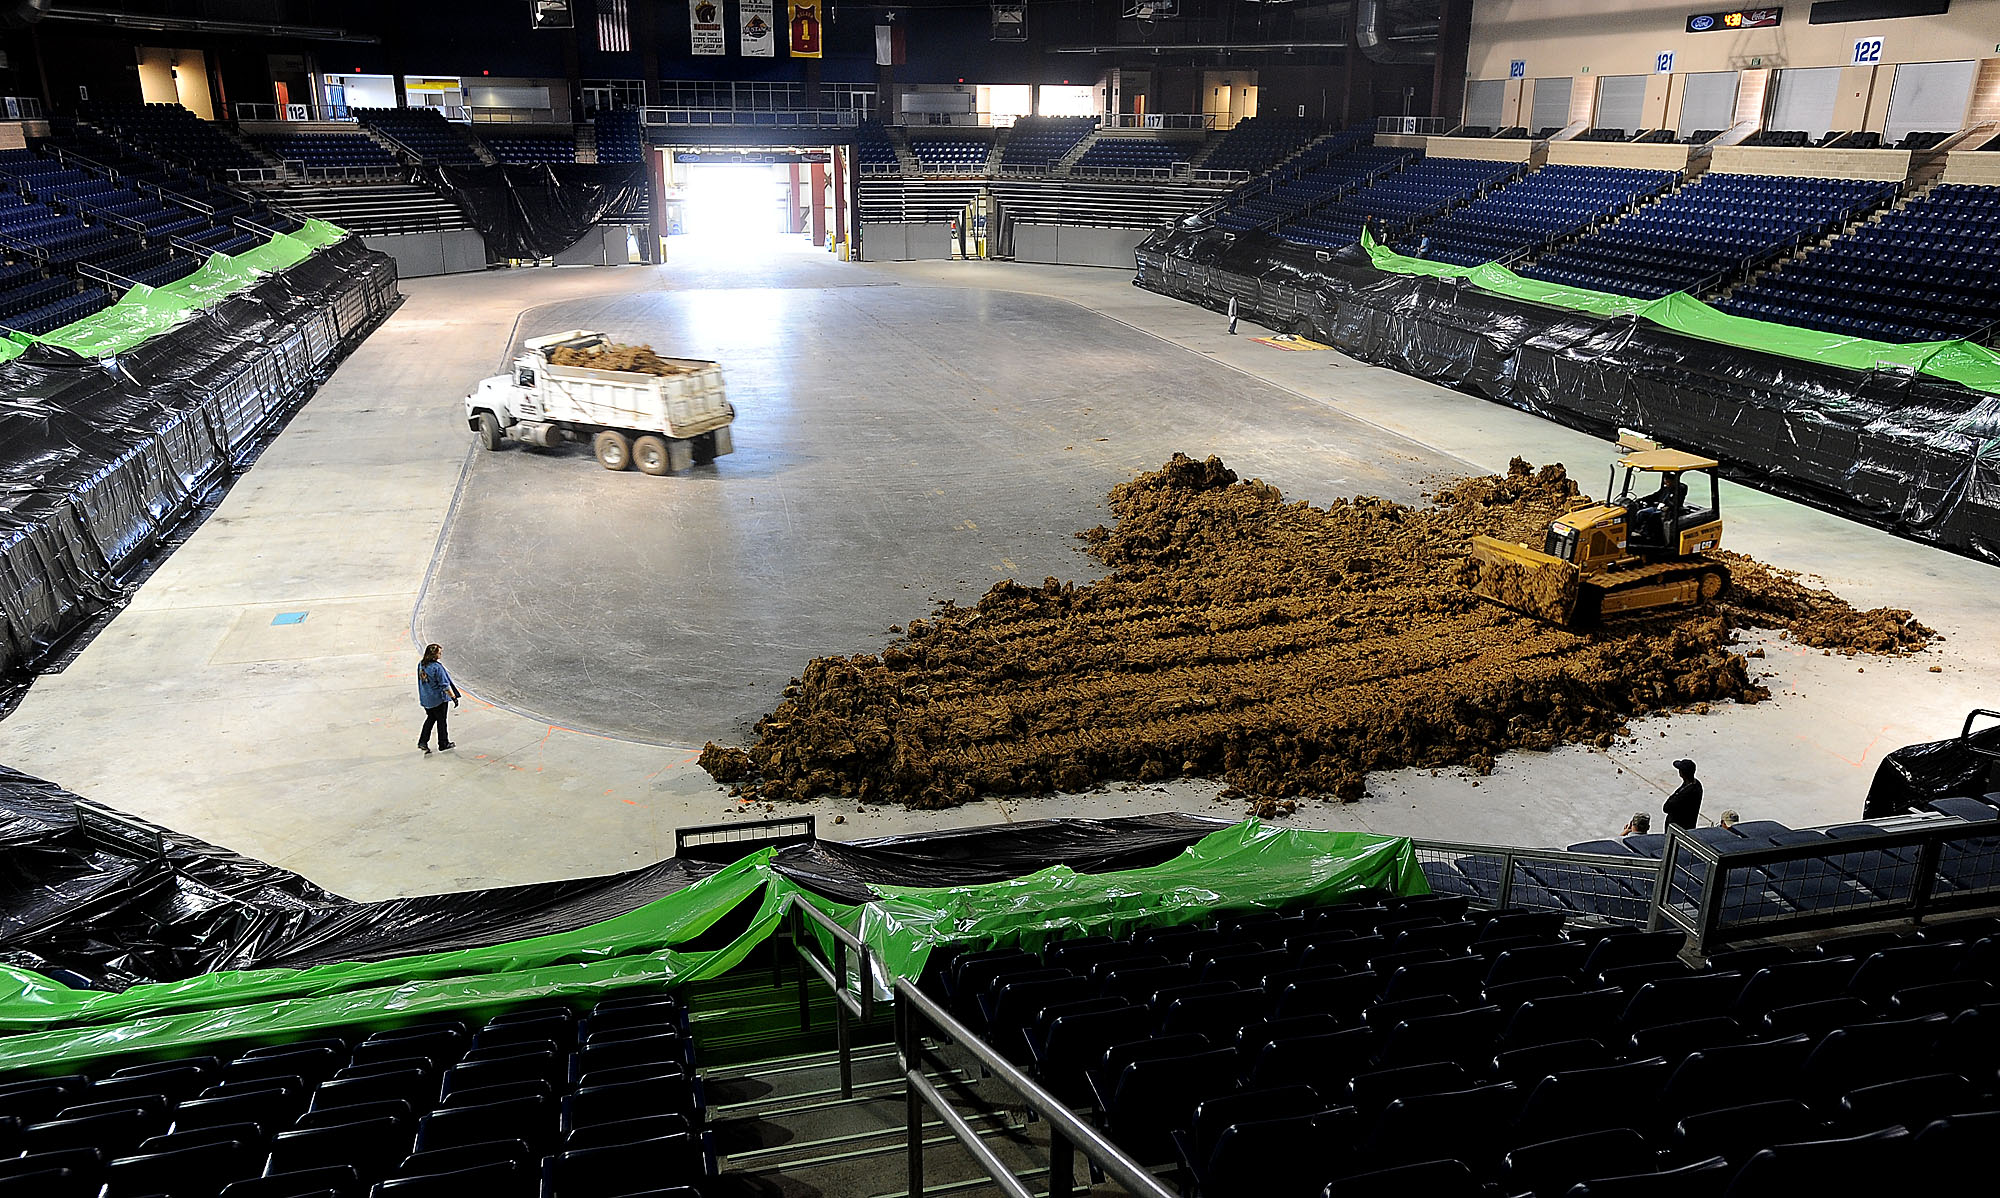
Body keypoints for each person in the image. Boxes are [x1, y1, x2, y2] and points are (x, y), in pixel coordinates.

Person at [417, 643, 461, 755]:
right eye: (439, 653)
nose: (441, 655)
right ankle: (443, 743)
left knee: (430, 718)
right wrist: (453, 697)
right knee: (441, 722)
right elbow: (444, 685)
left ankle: (423, 740)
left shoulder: (421, 665)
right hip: (438, 700)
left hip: (426, 699)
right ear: (434, 655)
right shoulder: (437, 668)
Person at [1663, 759, 1703, 830]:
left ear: (1682, 773)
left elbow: (1666, 808)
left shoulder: (1685, 794)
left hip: (1677, 828)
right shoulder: (1697, 785)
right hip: (1689, 826)